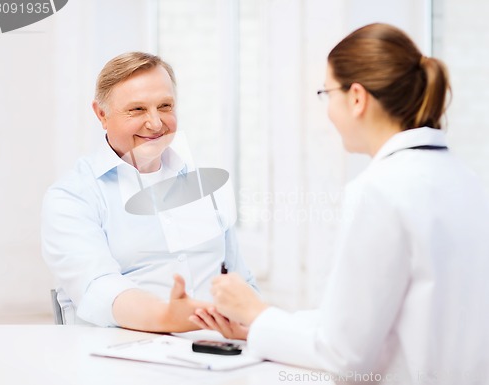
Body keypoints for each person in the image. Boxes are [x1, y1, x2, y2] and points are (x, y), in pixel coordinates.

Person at [190, 23, 489, 384]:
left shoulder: (378, 191)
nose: (328, 108)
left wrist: (257, 315)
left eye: (326, 92)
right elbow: (377, 323)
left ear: (357, 97)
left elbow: (344, 356)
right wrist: (259, 319)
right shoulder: (465, 179)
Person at [41, 52, 256, 332]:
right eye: (137, 110)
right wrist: (169, 318)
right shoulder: (71, 197)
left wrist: (257, 331)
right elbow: (98, 287)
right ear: (101, 114)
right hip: (119, 357)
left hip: (215, 353)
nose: (155, 123)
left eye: (165, 106)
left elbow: (243, 282)